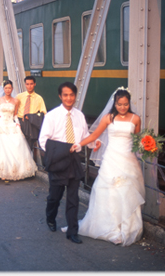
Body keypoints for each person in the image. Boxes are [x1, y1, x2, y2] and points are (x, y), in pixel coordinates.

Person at [66, 87, 145, 246]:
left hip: (128, 160)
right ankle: (111, 228)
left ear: (129, 103)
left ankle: (126, 229)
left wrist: (147, 145)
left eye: (125, 104)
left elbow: (138, 140)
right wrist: (78, 144)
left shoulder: (135, 119)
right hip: (111, 158)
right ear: (114, 103)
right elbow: (94, 135)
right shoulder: (108, 118)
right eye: (119, 104)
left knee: (126, 192)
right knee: (109, 193)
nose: (122, 108)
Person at [38, 82, 100, 244]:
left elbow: (84, 135)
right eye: (65, 95)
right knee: (54, 196)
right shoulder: (52, 116)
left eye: (72, 95)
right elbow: (43, 140)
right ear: (60, 96)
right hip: (58, 161)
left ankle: (72, 231)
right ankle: (50, 217)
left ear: (75, 96)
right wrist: (58, 153)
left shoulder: (79, 115)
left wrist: (94, 143)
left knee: (73, 198)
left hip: (74, 161)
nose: (69, 98)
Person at [0, 80, 37, 181]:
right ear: (3, 89)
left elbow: (15, 115)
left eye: (9, 88)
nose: (8, 90)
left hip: (11, 124)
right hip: (1, 124)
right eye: (6, 88)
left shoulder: (15, 101)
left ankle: (9, 171)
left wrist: (17, 124)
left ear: (12, 89)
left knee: (16, 144)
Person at [15, 76, 47, 150]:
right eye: (27, 84)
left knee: (29, 146)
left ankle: (27, 160)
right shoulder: (19, 97)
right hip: (20, 122)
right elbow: (13, 109)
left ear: (35, 84)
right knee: (18, 145)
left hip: (31, 124)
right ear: (25, 84)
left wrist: (32, 117)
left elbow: (44, 113)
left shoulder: (39, 98)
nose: (29, 86)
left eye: (31, 84)